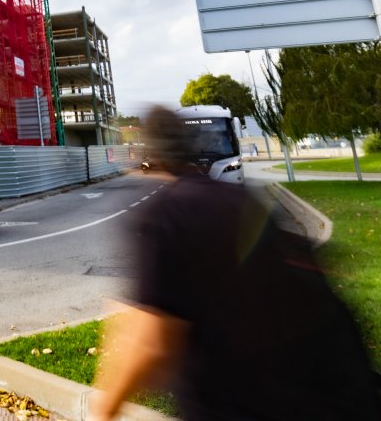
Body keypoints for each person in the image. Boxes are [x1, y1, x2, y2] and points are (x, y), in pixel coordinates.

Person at [88, 105, 380, 421]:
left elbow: (150, 342)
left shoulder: (166, 213)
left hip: (259, 406)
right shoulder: (244, 199)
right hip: (343, 391)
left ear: (151, 155)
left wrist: (103, 410)